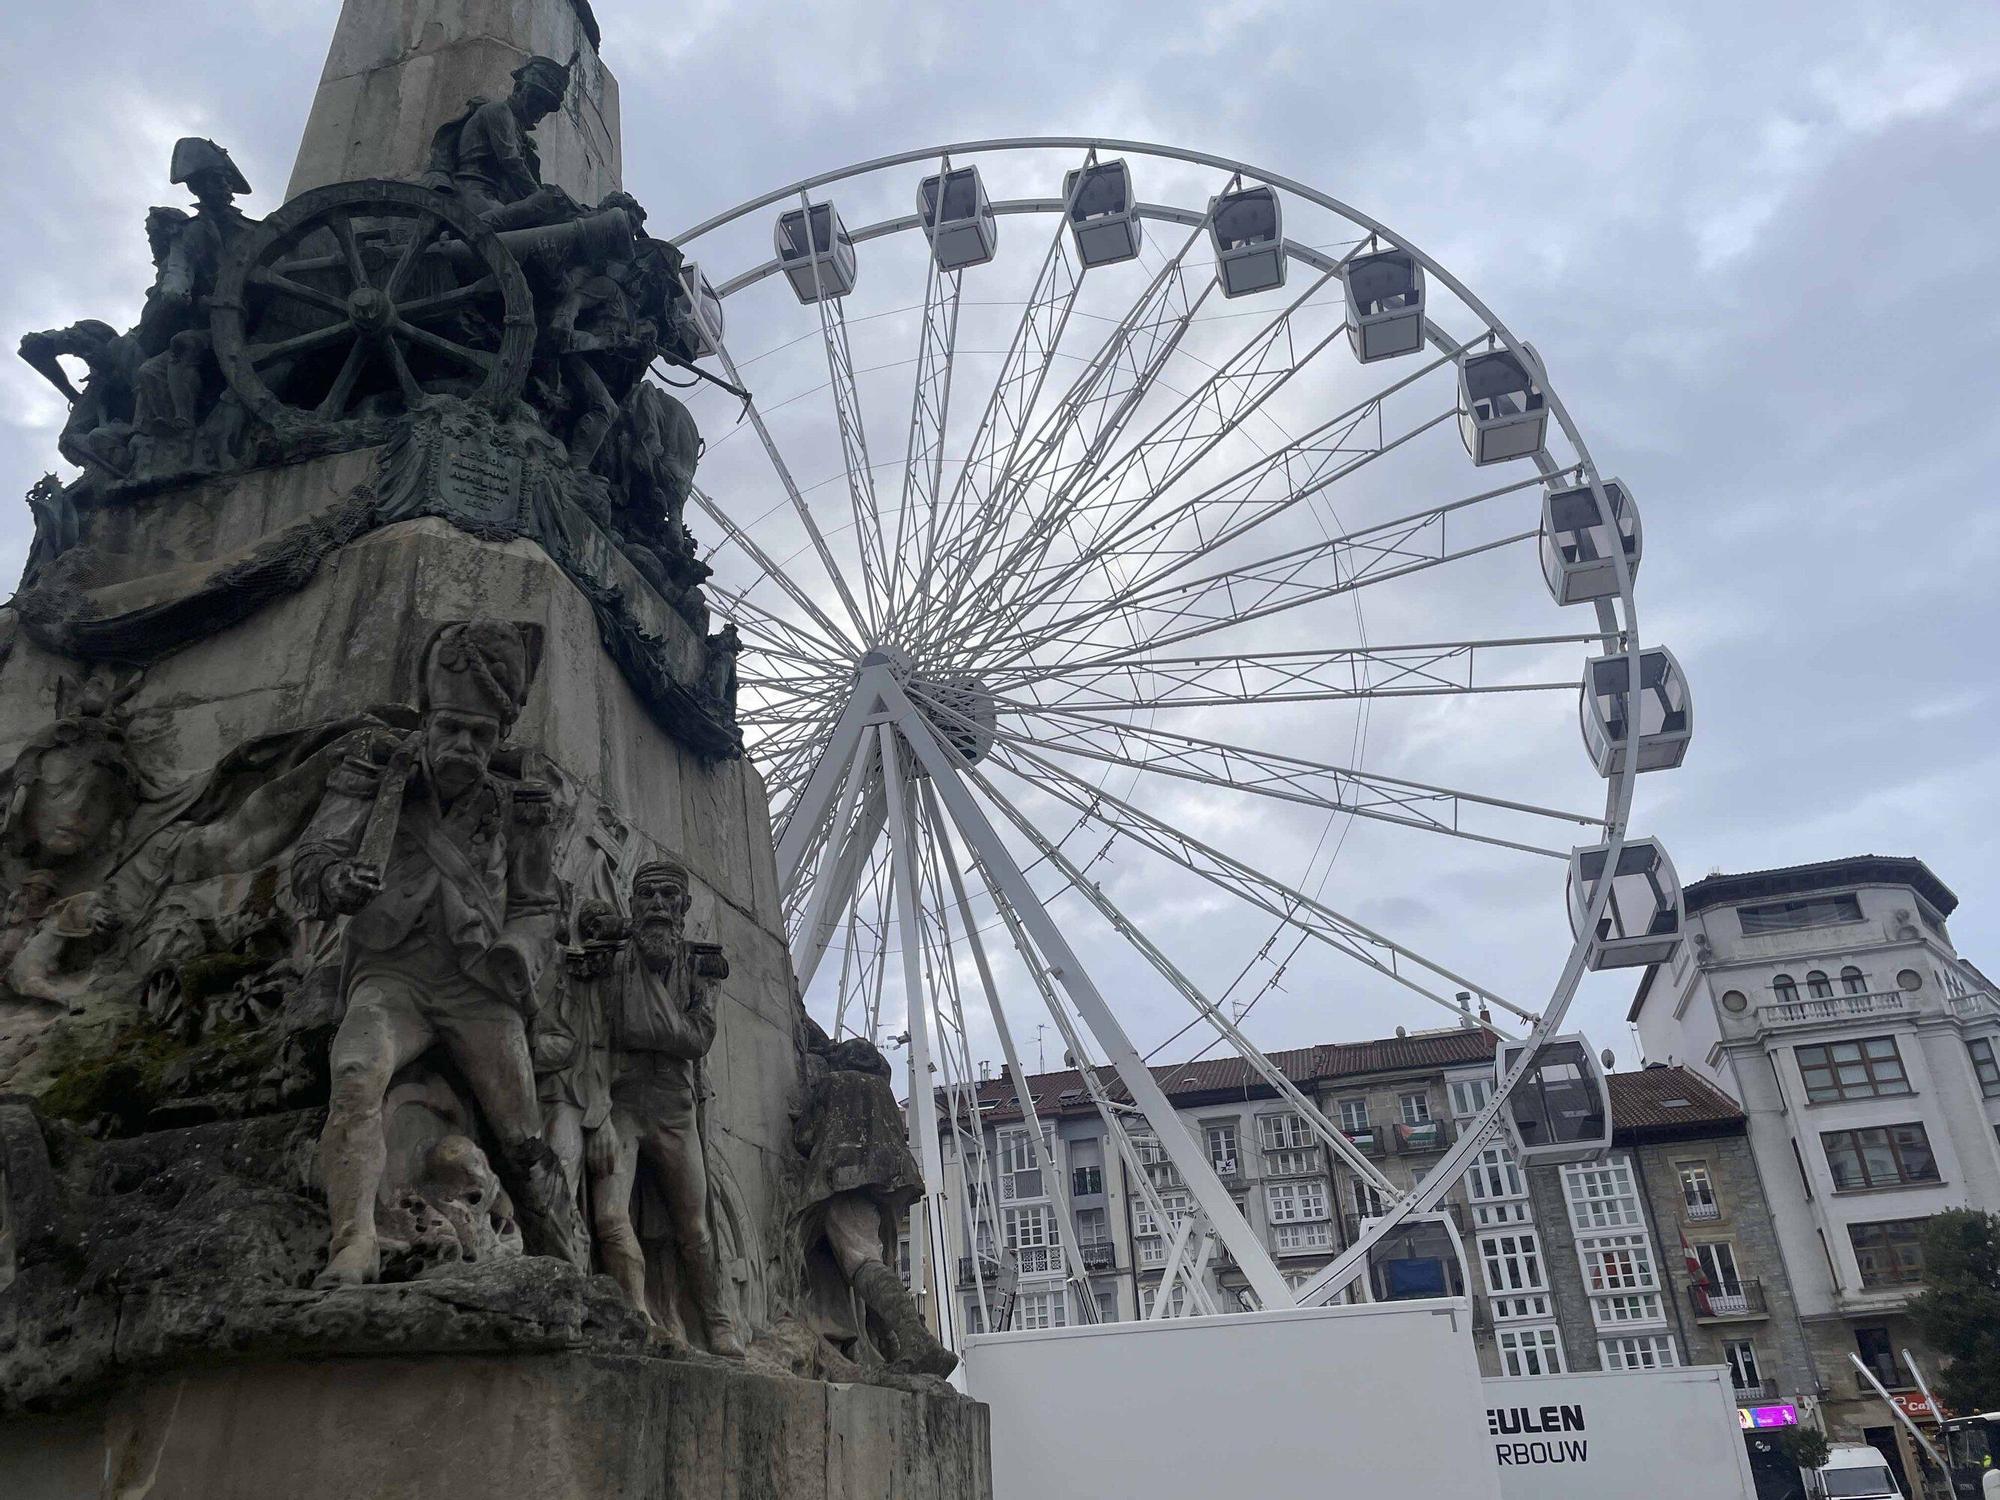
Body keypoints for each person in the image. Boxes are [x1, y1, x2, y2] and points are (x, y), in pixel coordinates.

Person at [294, 620, 579, 1286]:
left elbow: (539, 904)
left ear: (500, 737)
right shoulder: (376, 779)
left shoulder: (520, 807)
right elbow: (312, 861)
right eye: (450, 727)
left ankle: (562, 1256)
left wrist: (518, 951)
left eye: (481, 735)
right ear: (425, 719)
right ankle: (353, 1243)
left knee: (523, 1139)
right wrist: (336, 881)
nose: (464, 745)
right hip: (390, 972)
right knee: (355, 1074)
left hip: (477, 985)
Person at [586, 860, 744, 1355]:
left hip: (674, 1109)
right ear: (632, 904)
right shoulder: (611, 963)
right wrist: (596, 1113)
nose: (657, 904)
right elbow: (593, 1039)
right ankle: (636, 1315)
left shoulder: (701, 966)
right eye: (647, 895)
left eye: (668, 896)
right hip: (622, 1104)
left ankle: (718, 1322)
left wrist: (642, 1027)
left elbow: (699, 1038)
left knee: (695, 1227)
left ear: (684, 906)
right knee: (609, 1217)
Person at [421, 55, 579, 229]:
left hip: (495, 197)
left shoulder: (518, 130)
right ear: (518, 89)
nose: (541, 110)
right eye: (537, 99)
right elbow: (511, 162)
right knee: (517, 232)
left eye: (547, 107)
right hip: (473, 193)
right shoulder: (499, 111)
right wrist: (539, 197)